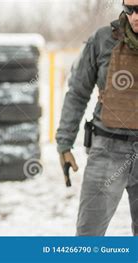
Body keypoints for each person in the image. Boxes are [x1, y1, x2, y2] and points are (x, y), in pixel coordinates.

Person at [56, 1, 138, 236]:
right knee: (88, 239)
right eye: (130, 9)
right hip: (107, 149)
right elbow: (77, 93)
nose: (135, 17)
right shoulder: (103, 40)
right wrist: (64, 143)